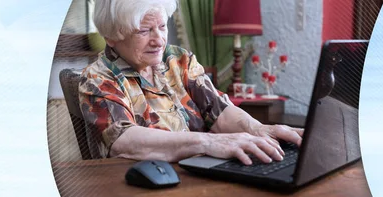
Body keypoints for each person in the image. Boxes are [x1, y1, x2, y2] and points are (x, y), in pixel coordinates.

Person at [78, 0, 303, 165]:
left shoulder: (178, 60)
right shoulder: (98, 78)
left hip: (201, 173)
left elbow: (219, 111)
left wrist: (259, 129)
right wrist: (207, 143)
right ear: (112, 37)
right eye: (145, 31)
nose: (159, 40)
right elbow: (124, 140)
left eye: (163, 26)